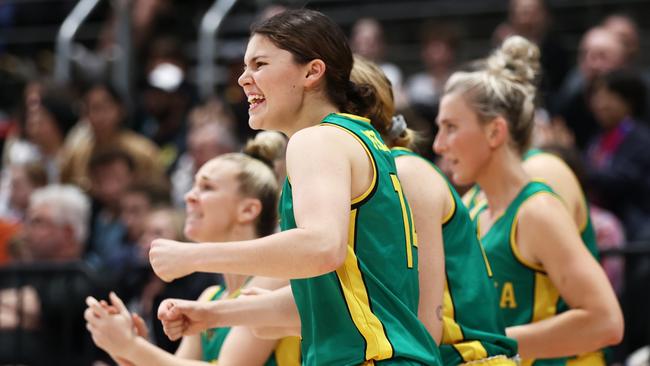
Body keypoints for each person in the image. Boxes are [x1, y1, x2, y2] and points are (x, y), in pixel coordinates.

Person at [149, 9, 440, 365]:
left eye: (259, 64)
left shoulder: (316, 141)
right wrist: (215, 314)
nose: (243, 79)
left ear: (312, 72)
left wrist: (192, 255)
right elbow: (342, 299)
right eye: (244, 66)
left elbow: (320, 247)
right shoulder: (363, 141)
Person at [433, 36, 623, 364]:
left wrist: (492, 344)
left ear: (495, 132)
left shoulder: (537, 209)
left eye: (451, 127)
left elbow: (606, 322)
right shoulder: (475, 204)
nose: (438, 145)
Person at [352, 55, 518, 365]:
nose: (439, 145)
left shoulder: (405, 174)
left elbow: (424, 328)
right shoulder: (368, 185)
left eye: (451, 127)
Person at [84, 146, 299, 365]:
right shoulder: (210, 297)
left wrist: (133, 347)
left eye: (206, 187)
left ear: (248, 210)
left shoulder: (275, 279)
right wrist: (126, 351)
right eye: (193, 185)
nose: (189, 196)